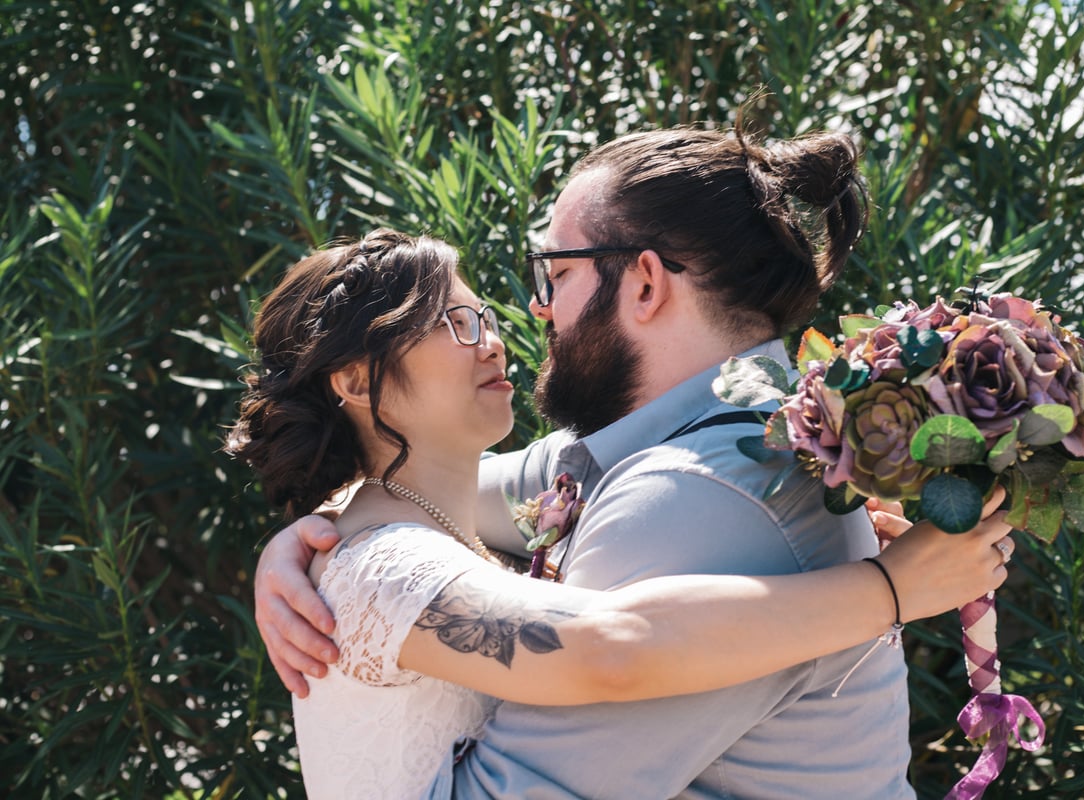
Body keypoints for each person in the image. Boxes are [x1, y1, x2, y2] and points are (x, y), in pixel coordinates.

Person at [253, 128, 1017, 799]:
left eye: (556, 275)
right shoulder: (698, 434)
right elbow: (437, 497)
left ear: (645, 283)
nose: (533, 314)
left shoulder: (696, 492)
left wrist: (890, 590)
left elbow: (604, 666)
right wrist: (327, 535)